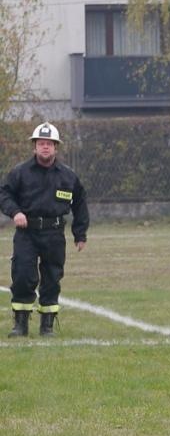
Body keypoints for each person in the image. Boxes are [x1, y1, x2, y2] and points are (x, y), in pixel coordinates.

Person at [0, 122, 89, 337]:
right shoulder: (20, 172)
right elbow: (4, 194)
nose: (45, 147)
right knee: (22, 274)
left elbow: (80, 204)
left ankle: (47, 325)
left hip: (54, 234)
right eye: (41, 143)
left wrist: (80, 234)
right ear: (34, 147)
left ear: (56, 147)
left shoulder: (68, 176)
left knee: (51, 277)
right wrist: (15, 212)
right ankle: (20, 325)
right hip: (27, 232)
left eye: (49, 144)